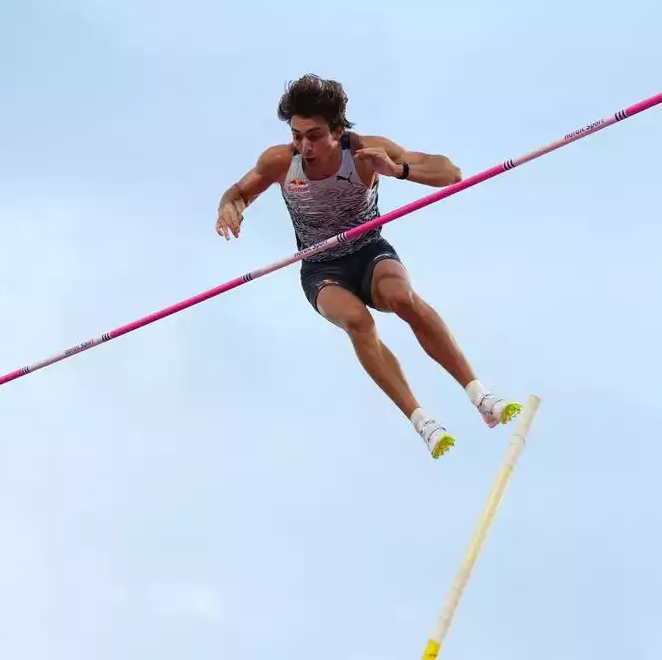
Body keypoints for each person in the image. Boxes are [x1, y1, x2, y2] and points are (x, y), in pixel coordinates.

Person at [214, 74, 520, 459]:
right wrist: (229, 207)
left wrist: (397, 171)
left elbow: (450, 172)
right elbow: (238, 193)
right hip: (322, 270)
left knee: (401, 297)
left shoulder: (364, 152)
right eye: (296, 135)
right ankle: (422, 420)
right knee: (358, 322)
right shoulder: (280, 162)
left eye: (314, 135)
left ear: (338, 130)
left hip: (370, 252)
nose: (304, 146)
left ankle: (480, 397)